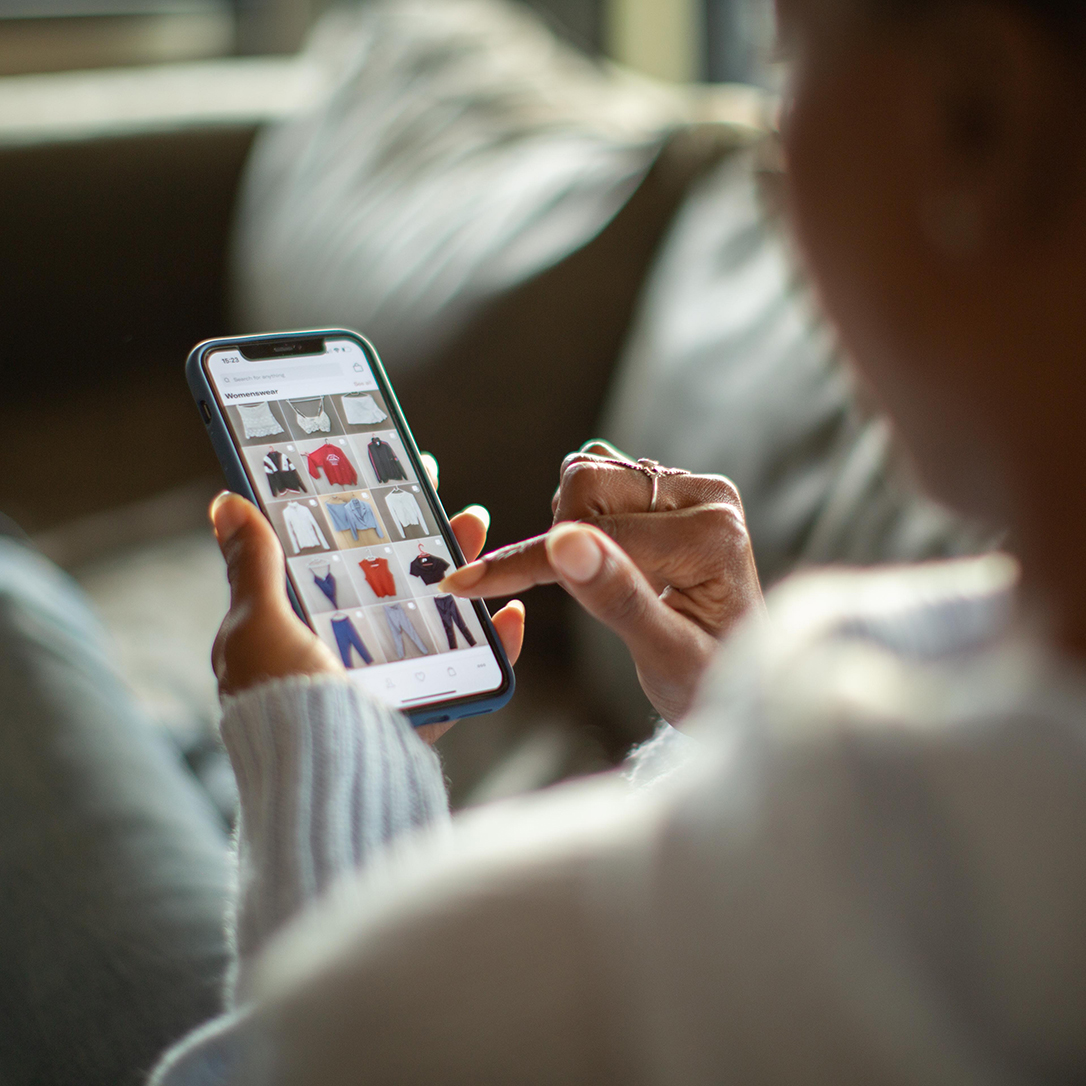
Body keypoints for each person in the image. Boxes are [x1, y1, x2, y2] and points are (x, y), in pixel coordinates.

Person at [6, 0, 1086, 1080]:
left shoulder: (600, 947)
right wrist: (726, 711)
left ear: (973, 117)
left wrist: (331, 768)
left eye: (784, 59)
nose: (771, 158)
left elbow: (297, 1055)